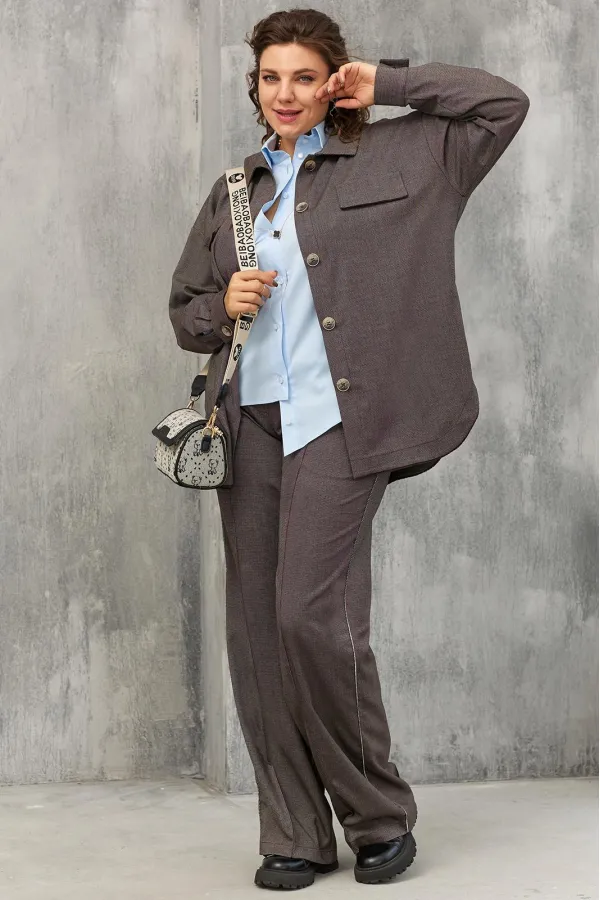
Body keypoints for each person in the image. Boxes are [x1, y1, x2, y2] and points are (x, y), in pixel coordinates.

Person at [168, 8, 529, 891]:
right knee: (259, 634)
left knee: (310, 617)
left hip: (342, 421)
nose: (285, 93)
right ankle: (294, 830)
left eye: (304, 76)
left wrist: (390, 84)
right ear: (254, 86)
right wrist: (223, 305)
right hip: (252, 422)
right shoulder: (237, 189)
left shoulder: (413, 154)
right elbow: (186, 312)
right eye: (270, 77)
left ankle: (377, 816)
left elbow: (502, 105)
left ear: (333, 79)